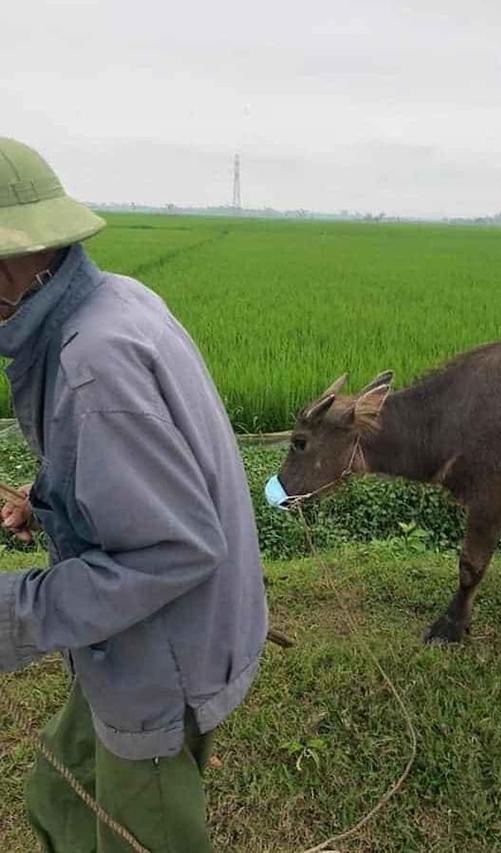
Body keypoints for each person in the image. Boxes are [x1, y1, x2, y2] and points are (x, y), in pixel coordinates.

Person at [0, 137, 268, 852]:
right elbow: (139, 474)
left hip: (161, 652)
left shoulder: (95, 367)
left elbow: (173, 548)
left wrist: (11, 610)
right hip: (131, 636)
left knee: (133, 832)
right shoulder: (112, 298)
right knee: (59, 799)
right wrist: (44, 499)